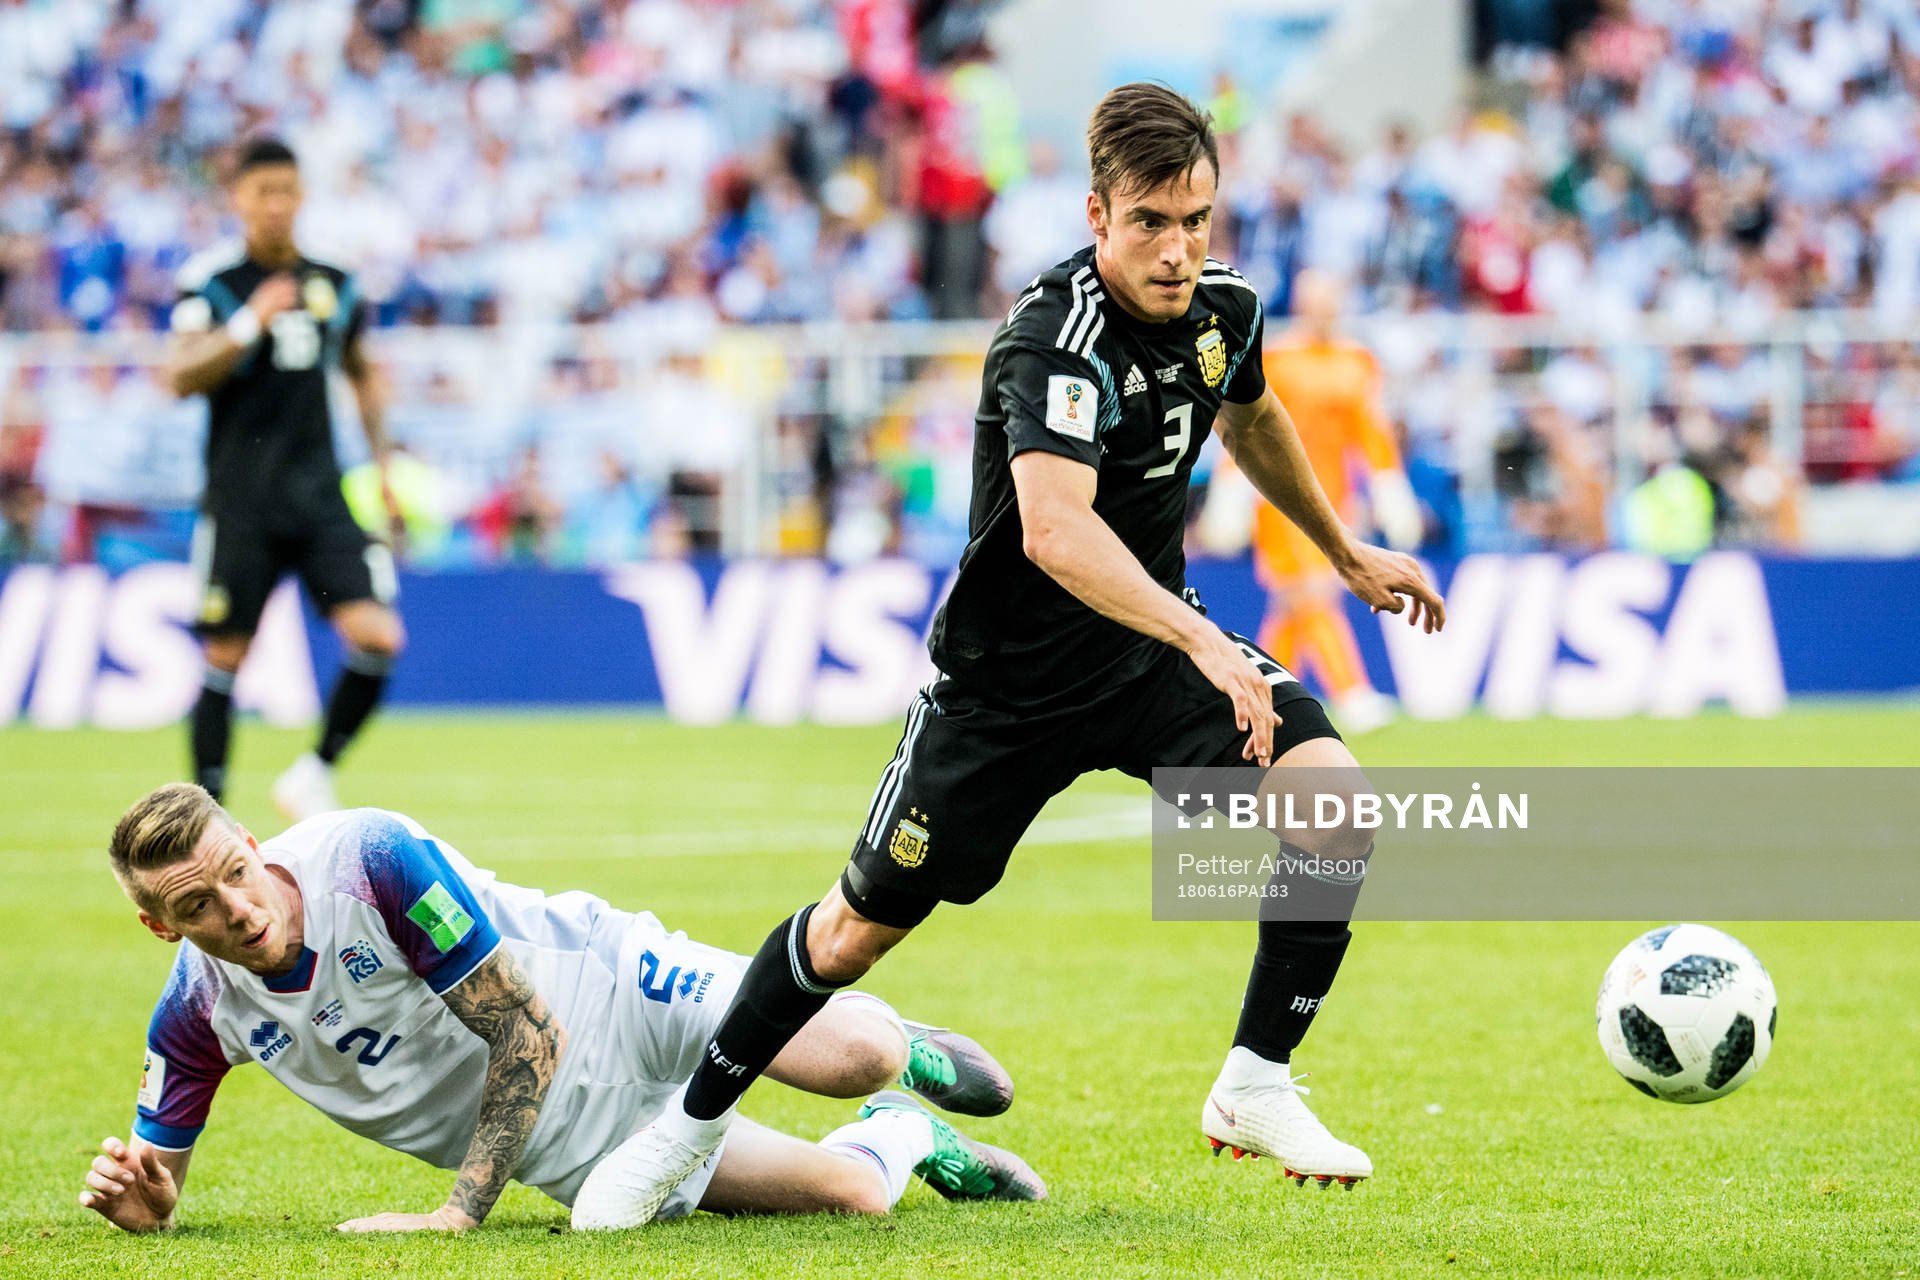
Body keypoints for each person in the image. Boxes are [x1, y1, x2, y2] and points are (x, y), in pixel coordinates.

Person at [569, 83, 1443, 1231]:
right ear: (1096, 212)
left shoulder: (1224, 307)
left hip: (1138, 659)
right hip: (1005, 691)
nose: (1179, 252)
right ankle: (683, 1130)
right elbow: (1055, 529)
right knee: (850, 931)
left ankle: (1255, 1082)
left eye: (1198, 221)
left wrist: (1341, 548)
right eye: (1151, 223)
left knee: (1334, 806)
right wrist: (1200, 636)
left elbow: (1251, 414)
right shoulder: (1054, 335)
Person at [78, 784, 1040, 1235]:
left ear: (251, 842)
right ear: (158, 925)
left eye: (237, 874)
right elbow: (156, 1176)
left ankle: (897, 1052)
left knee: (854, 1056)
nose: (237, 911)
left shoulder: (367, 860)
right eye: (197, 905)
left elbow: (526, 1030)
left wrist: (457, 1215)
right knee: (857, 1196)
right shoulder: (198, 1012)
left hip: (615, 986)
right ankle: (906, 1136)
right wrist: (148, 1202)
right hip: (571, 1144)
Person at [167, 137, 405, 820]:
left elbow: (359, 369)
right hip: (241, 501)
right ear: (237, 199)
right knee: (225, 655)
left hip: (321, 495)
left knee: (377, 634)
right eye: (262, 192)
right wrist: (250, 322)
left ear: (302, 196)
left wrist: (383, 466)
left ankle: (315, 769)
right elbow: (179, 374)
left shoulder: (335, 279)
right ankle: (203, 820)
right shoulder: (211, 282)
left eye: (287, 192)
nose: (276, 206)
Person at [1198, 269, 1422, 734]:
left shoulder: (1357, 359)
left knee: (1292, 601)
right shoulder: (1278, 357)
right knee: (1312, 593)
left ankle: (1256, 687)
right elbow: (1245, 427)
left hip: (1334, 496)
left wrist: (1386, 487)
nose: (1322, 309)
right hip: (1279, 496)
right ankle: (1350, 692)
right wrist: (1231, 492)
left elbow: (1370, 431)